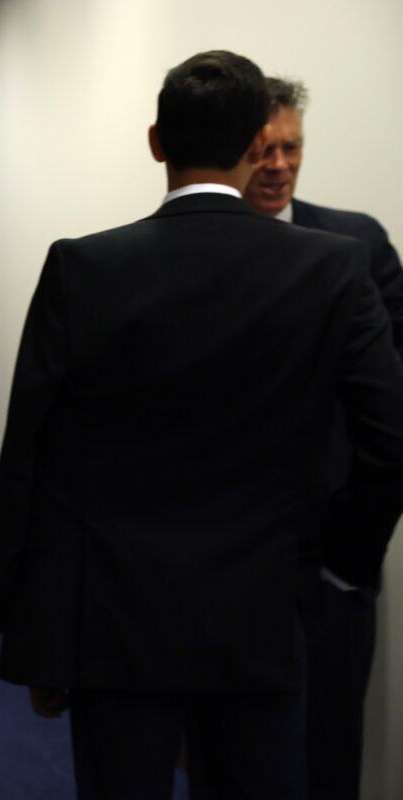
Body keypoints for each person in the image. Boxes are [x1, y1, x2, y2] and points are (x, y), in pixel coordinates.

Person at [0, 51, 403, 799]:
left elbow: (32, 458)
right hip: (270, 613)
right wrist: (341, 558)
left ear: (156, 142)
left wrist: (30, 631)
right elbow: (391, 440)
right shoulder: (333, 269)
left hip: (114, 623)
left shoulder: (83, 267)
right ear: (251, 147)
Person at [244, 77, 403, 800]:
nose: (277, 163)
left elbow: (393, 411)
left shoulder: (356, 243)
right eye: (260, 148)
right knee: (233, 760)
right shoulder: (190, 253)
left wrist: (354, 559)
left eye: (291, 147)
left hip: (333, 563)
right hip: (225, 562)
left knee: (329, 753)